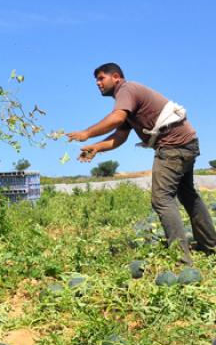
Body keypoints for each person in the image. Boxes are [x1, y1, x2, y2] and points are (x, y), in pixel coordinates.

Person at [67, 62, 216, 265]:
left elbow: (116, 118)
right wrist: (97, 147)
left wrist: (87, 133)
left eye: (101, 78)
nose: (98, 83)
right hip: (186, 142)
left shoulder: (126, 90)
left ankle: (182, 260)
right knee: (188, 195)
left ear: (116, 77)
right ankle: (210, 246)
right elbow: (120, 136)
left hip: (173, 146)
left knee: (162, 199)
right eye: (96, 80)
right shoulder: (128, 99)